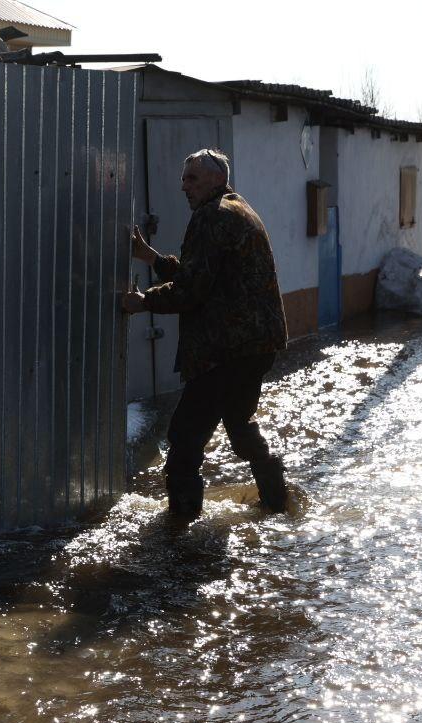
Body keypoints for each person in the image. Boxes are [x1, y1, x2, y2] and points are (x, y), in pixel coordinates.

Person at [122, 148, 289, 519]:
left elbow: (193, 290)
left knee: (184, 438)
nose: (183, 186)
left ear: (215, 179)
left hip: (225, 348)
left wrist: (142, 302)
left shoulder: (211, 217)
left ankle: (180, 531)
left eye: (192, 178)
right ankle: (278, 503)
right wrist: (152, 258)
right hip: (257, 344)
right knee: (239, 425)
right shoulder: (236, 207)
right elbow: (203, 274)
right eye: (183, 178)